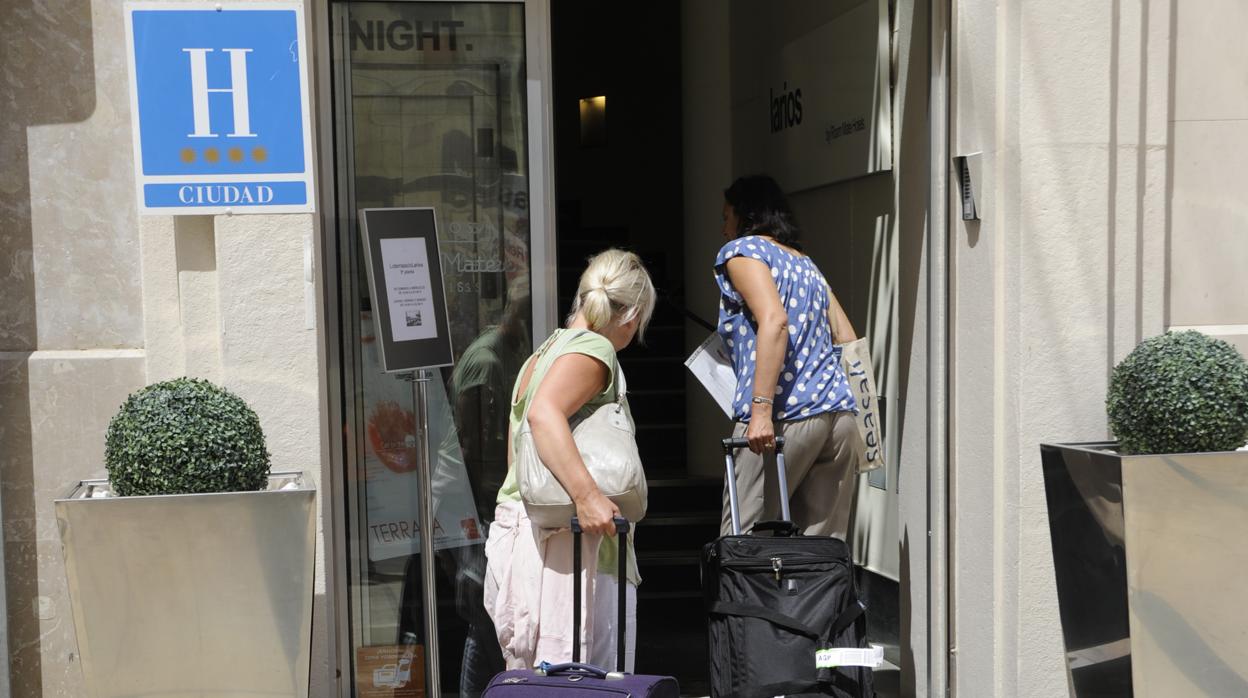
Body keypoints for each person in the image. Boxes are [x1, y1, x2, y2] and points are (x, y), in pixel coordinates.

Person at [483, 248, 656, 673]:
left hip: (528, 539)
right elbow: (544, 415)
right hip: (579, 549)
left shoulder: (541, 355)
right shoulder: (595, 350)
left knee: (544, 681)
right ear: (632, 316)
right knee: (593, 681)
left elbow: (517, 459)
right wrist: (588, 496)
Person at [713, 174, 863, 540]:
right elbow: (847, 337)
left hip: (785, 416)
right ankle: (818, 602)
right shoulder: (806, 264)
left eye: (727, 215)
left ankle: (745, 602)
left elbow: (775, 320)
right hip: (838, 416)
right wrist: (866, 421)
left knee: (744, 538)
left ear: (746, 215)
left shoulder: (743, 252)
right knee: (820, 548)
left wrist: (761, 411)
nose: (724, 227)